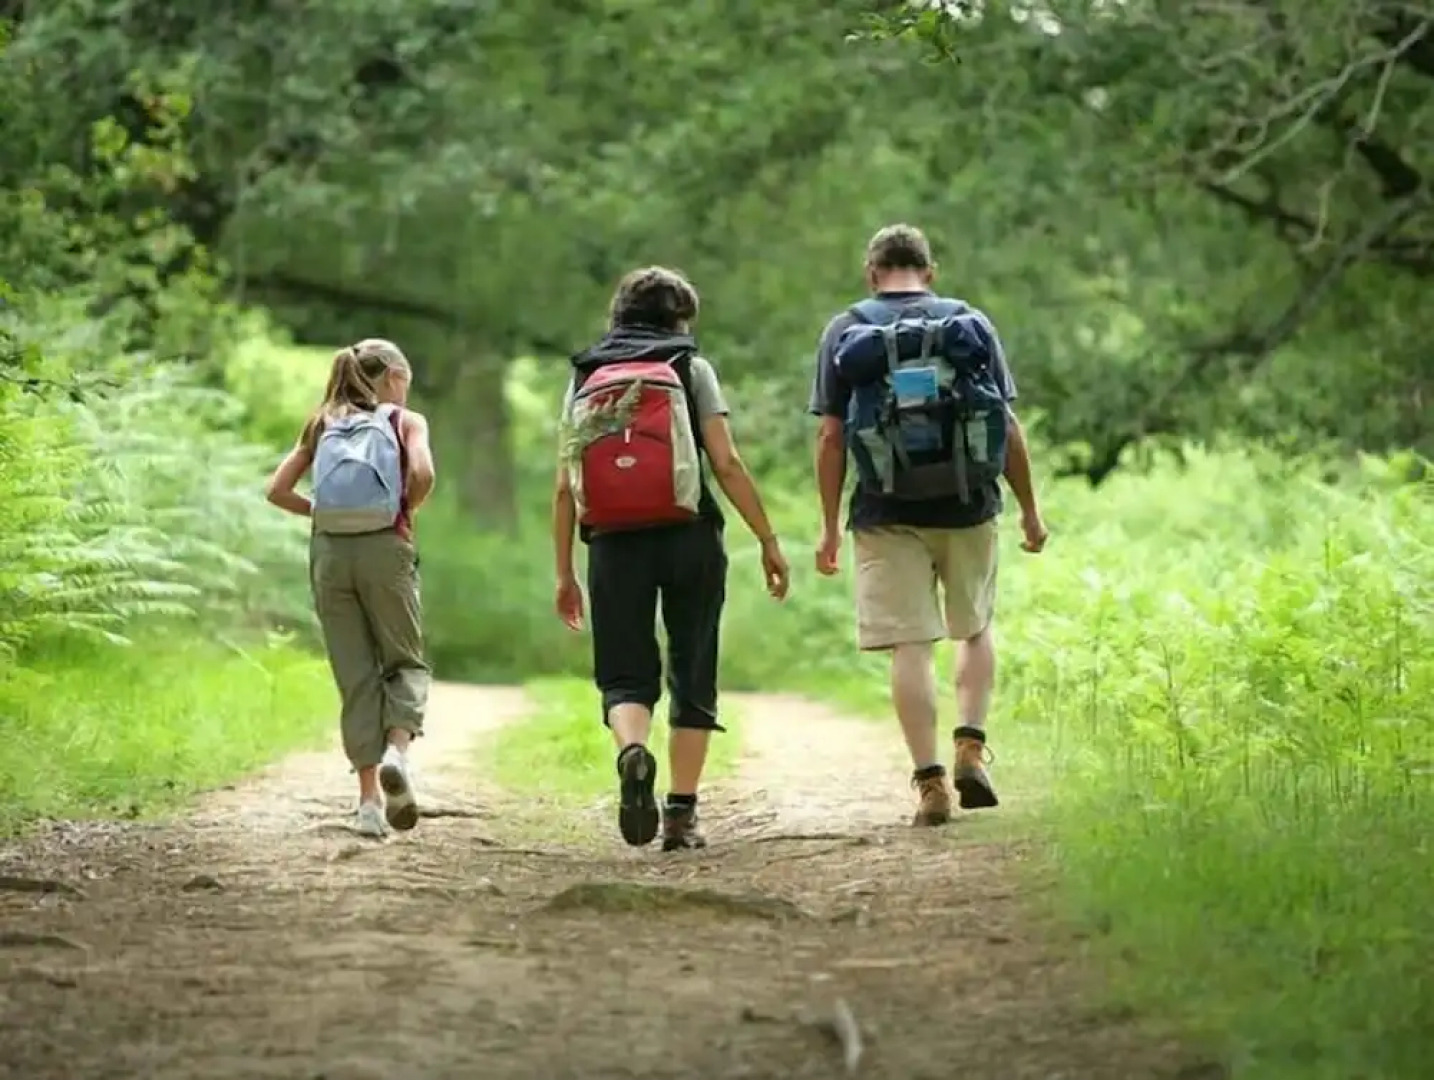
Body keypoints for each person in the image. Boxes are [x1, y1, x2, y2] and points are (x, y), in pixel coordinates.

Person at [809, 224, 1048, 826]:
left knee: (911, 645)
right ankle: (970, 744)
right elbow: (1006, 424)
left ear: (872, 273)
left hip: (885, 510)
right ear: (930, 272)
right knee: (975, 627)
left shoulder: (846, 330)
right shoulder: (969, 322)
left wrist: (829, 526)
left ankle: (931, 783)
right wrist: (1029, 510)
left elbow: (831, 437)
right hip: (969, 504)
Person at [552, 266, 790, 851]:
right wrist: (767, 538)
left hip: (612, 541)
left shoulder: (585, 375)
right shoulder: (690, 368)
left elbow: (564, 485)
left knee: (624, 673)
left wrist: (564, 572)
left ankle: (633, 752)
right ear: (680, 319)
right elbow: (725, 462)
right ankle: (681, 814)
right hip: (690, 535)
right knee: (693, 665)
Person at [265, 339, 436, 839]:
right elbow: (423, 473)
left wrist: (321, 512)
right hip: (385, 547)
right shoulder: (405, 420)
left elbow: (277, 490)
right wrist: (403, 508)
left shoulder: (322, 422)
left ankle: (368, 804)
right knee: (404, 662)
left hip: (330, 555)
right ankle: (397, 754)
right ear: (394, 378)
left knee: (356, 674)